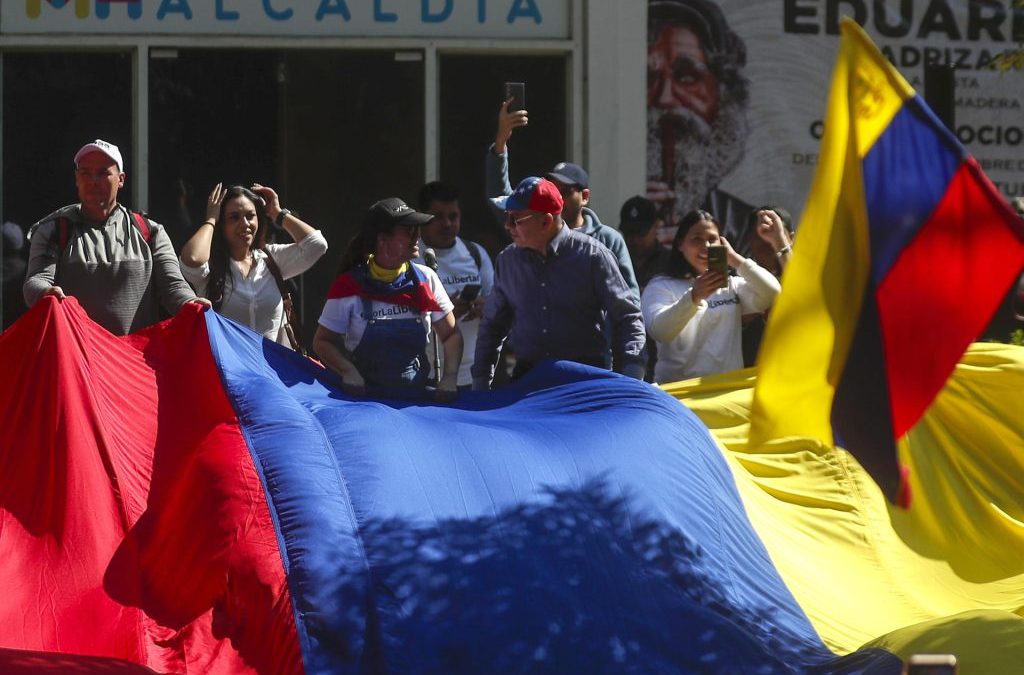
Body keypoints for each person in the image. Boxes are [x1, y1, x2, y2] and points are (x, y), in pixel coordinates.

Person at [472, 177, 646, 390]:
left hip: (584, 378)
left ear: (545, 221)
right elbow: (492, 326)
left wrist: (631, 377)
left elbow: (627, 317)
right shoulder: (508, 261)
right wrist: (480, 383)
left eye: (515, 219)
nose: (507, 226)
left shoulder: (593, 256)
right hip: (528, 378)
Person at [23, 139, 208, 334]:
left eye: (103, 173)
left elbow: (173, 286)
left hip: (132, 360)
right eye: (85, 173)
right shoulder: (53, 230)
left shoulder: (150, 232)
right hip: (77, 359)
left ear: (121, 179)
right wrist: (45, 292)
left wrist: (192, 303)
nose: (93, 181)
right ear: (76, 179)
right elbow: (36, 281)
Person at [485, 100, 641, 304]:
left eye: (565, 192)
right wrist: (501, 141)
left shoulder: (606, 241)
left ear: (584, 196)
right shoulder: (530, 230)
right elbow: (501, 197)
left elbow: (629, 303)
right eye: (552, 190)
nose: (557, 197)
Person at [313, 197, 462, 401]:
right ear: (383, 240)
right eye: (409, 231)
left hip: (415, 401)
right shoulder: (348, 286)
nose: (417, 237)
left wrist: (450, 377)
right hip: (365, 403)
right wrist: (348, 371)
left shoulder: (426, 279)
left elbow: (451, 335)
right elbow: (323, 341)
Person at [646, 0, 754, 250]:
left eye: (686, 77)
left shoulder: (744, 226)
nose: (664, 99)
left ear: (723, 93)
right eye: (648, 79)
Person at [179, 183, 328, 349]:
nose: (245, 224)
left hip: (271, 372)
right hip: (224, 372)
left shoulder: (271, 259)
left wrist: (277, 213)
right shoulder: (211, 267)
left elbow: (317, 245)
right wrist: (211, 219)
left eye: (250, 216)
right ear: (222, 224)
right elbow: (192, 258)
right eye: (234, 217)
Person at [642, 209, 780, 384]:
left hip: (724, 394)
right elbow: (660, 331)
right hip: (678, 393)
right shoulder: (660, 286)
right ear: (680, 244)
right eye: (696, 239)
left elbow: (773, 292)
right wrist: (694, 296)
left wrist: (735, 259)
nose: (706, 247)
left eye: (712, 240)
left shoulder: (732, 285)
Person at [413, 181, 495, 390]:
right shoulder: (409, 258)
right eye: (438, 217)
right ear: (421, 217)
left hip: (474, 375)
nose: (447, 224)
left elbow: (499, 303)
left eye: (453, 216)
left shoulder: (475, 253)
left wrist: (486, 308)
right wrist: (443, 313)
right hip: (425, 375)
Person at [739, 205, 795, 366]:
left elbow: (801, 291)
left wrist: (780, 243)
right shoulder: (739, 280)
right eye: (759, 233)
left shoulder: (808, 274)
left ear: (791, 238)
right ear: (749, 240)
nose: (767, 238)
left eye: (775, 231)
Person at [619, 195, 672, 291]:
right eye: (629, 232)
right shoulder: (613, 261)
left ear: (655, 226)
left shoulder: (671, 262)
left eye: (641, 232)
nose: (635, 239)